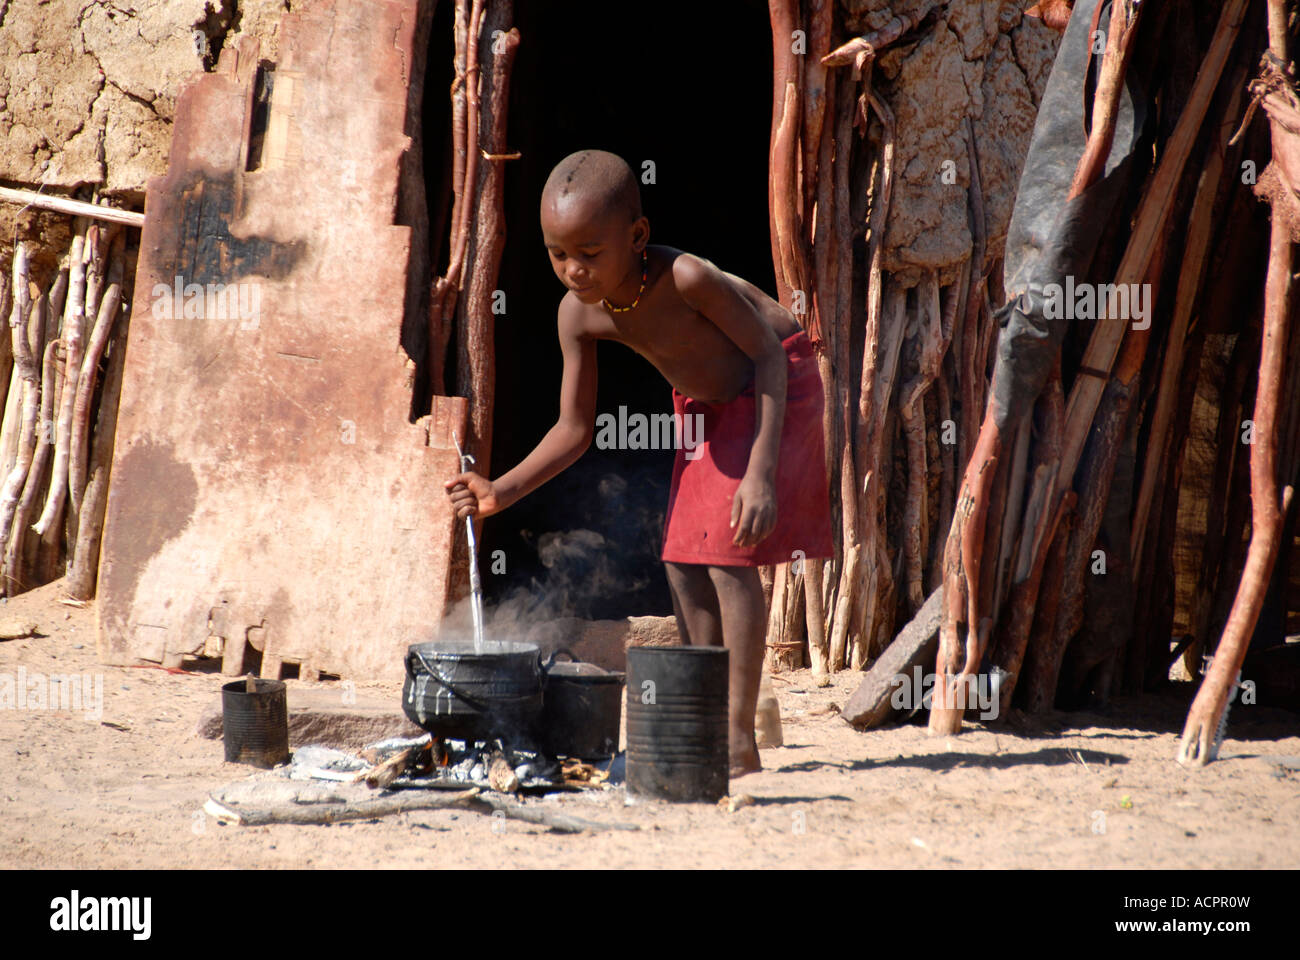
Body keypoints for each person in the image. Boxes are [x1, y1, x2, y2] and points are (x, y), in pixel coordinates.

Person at [445, 149, 832, 776]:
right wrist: (499, 491)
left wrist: (760, 472)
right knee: (681, 558)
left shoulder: (688, 279)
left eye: (590, 253)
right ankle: (706, 712)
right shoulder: (578, 313)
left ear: (638, 236)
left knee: (730, 560)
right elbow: (574, 429)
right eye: (557, 253)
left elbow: (766, 354)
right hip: (705, 407)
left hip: (774, 385)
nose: (573, 270)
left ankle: (737, 740)